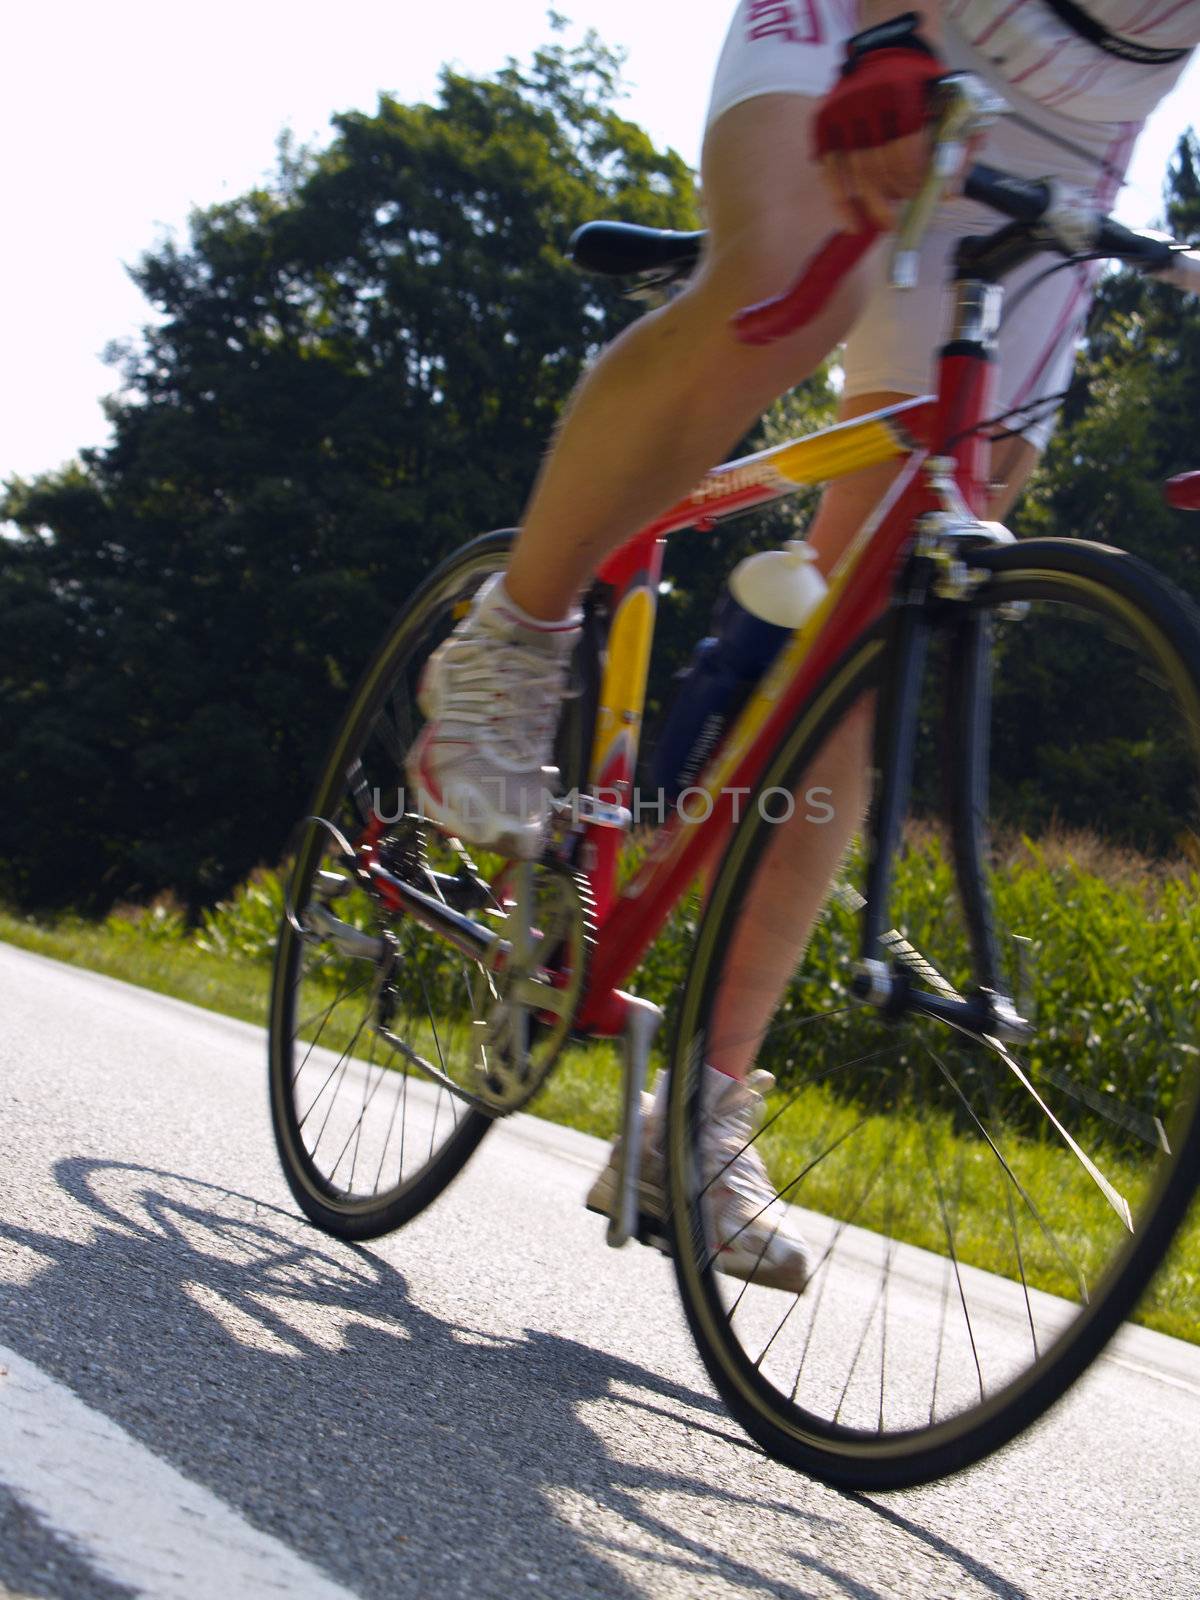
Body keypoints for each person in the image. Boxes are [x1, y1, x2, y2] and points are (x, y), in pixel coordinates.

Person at [408, 2, 1200, 1291]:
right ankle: (512, 644)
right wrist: (887, 31)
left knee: (902, 576)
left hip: (1077, 124)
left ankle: (700, 1114)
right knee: (779, 279)